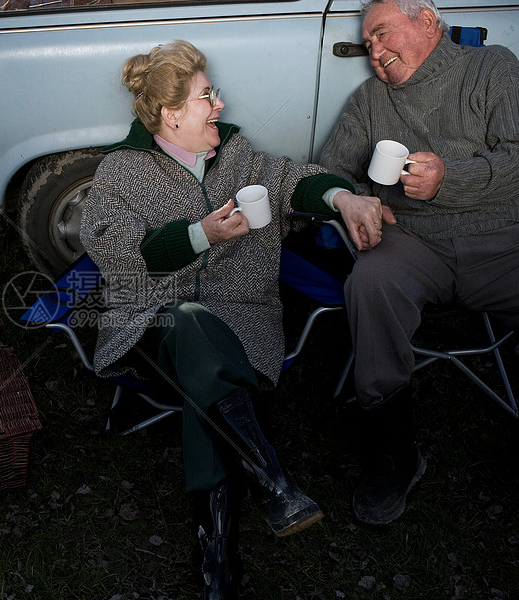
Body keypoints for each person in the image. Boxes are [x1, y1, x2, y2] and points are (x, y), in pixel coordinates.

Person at [79, 40, 379, 599]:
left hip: (243, 319)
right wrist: (203, 235)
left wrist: (343, 198)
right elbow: (114, 252)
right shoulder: (121, 172)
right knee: (190, 323)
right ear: (171, 115)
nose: (219, 103)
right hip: (152, 323)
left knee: (206, 388)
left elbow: (297, 180)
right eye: (205, 96)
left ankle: (217, 564)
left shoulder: (239, 156)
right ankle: (269, 478)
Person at [319, 0, 519, 527]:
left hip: (502, 239)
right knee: (372, 283)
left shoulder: (493, 68)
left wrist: (449, 177)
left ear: (426, 22)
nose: (375, 53)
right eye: (368, 45)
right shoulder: (369, 100)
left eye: (383, 35)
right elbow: (327, 173)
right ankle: (393, 456)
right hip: (414, 242)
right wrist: (356, 199)